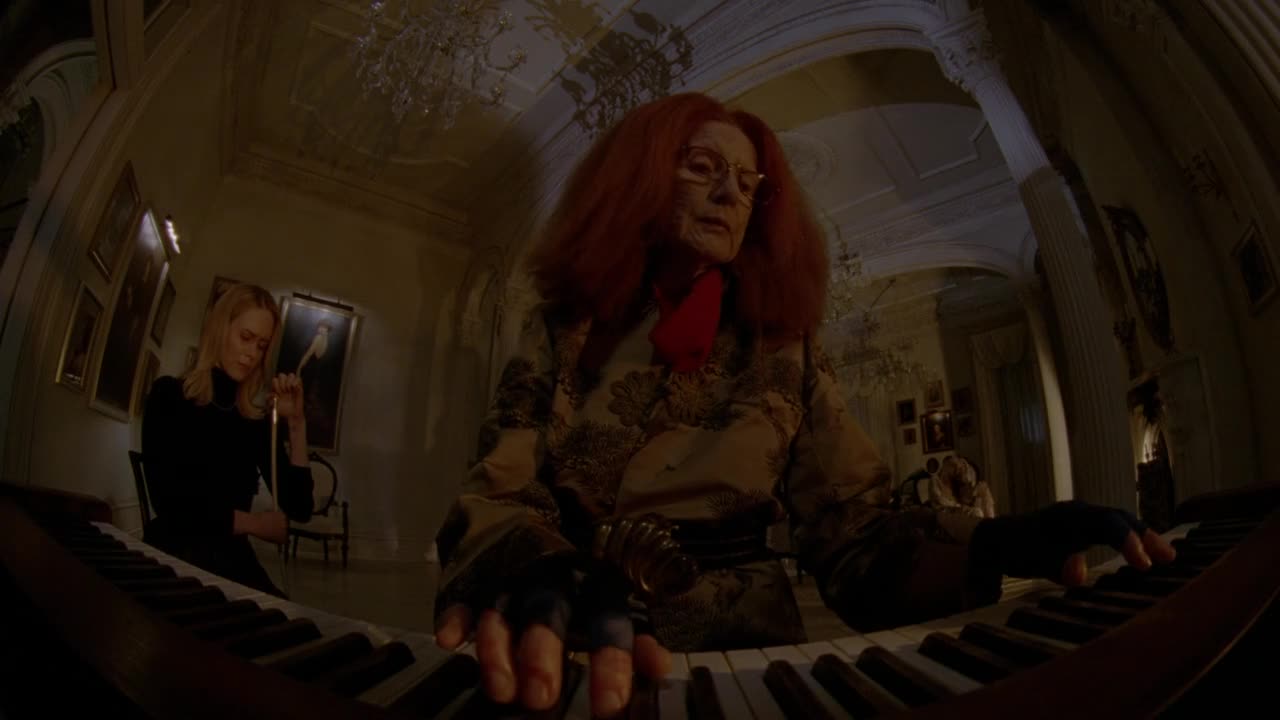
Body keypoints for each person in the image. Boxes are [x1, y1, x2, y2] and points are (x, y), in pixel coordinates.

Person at [432, 93, 1176, 718]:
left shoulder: (787, 346)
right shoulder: (562, 327)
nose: (731, 194)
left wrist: (999, 541)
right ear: (640, 180)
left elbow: (855, 534)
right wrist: (540, 572)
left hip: (747, 659)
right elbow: (499, 493)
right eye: (703, 168)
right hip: (571, 638)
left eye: (748, 183)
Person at [141, 283, 314, 597]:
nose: (252, 354)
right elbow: (169, 502)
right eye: (245, 337)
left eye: (261, 346)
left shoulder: (253, 421)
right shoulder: (169, 395)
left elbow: (299, 507)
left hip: (232, 561)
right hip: (177, 555)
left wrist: (297, 425)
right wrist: (253, 524)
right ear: (220, 329)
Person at [927, 456, 998, 519]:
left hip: (967, 506)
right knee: (977, 512)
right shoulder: (936, 480)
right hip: (952, 514)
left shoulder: (977, 488)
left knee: (983, 490)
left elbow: (989, 517)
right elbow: (942, 502)